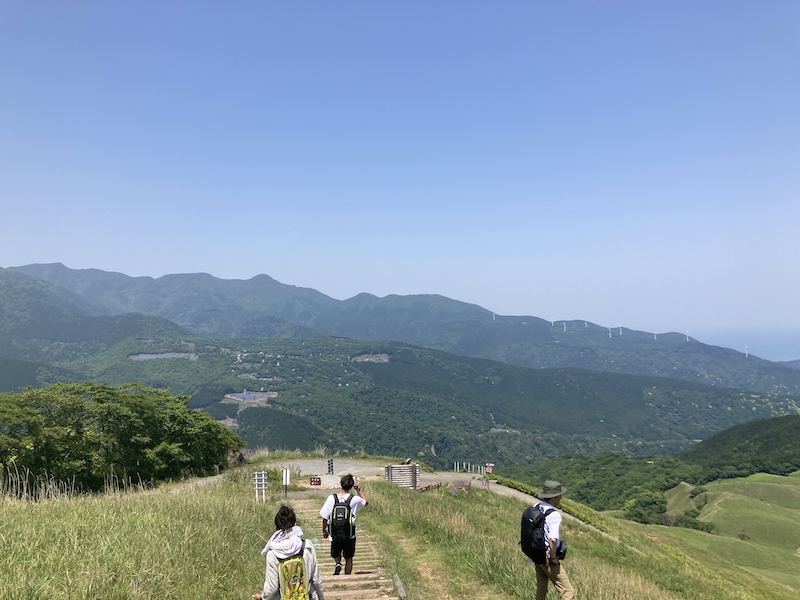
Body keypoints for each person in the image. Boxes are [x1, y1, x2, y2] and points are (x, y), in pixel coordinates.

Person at [254, 505, 325, 600]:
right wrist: (321, 597)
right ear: (295, 524)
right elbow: (316, 579)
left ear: (277, 528)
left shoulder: (273, 553)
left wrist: (262, 597)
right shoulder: (307, 546)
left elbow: (272, 588)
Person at [319, 473, 368, 575]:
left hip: (335, 533)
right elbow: (366, 502)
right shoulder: (354, 499)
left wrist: (324, 531)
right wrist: (358, 489)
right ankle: (347, 576)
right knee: (349, 557)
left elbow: (324, 517)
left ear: (341, 484)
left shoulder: (332, 498)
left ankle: (338, 563)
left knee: (336, 554)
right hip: (349, 534)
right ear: (351, 486)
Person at [534, 481, 576, 600]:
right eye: (559, 495)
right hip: (548, 556)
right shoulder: (554, 515)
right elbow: (553, 539)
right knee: (568, 592)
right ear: (554, 497)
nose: (561, 497)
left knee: (541, 589)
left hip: (536, 553)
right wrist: (553, 557)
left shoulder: (536, 507)